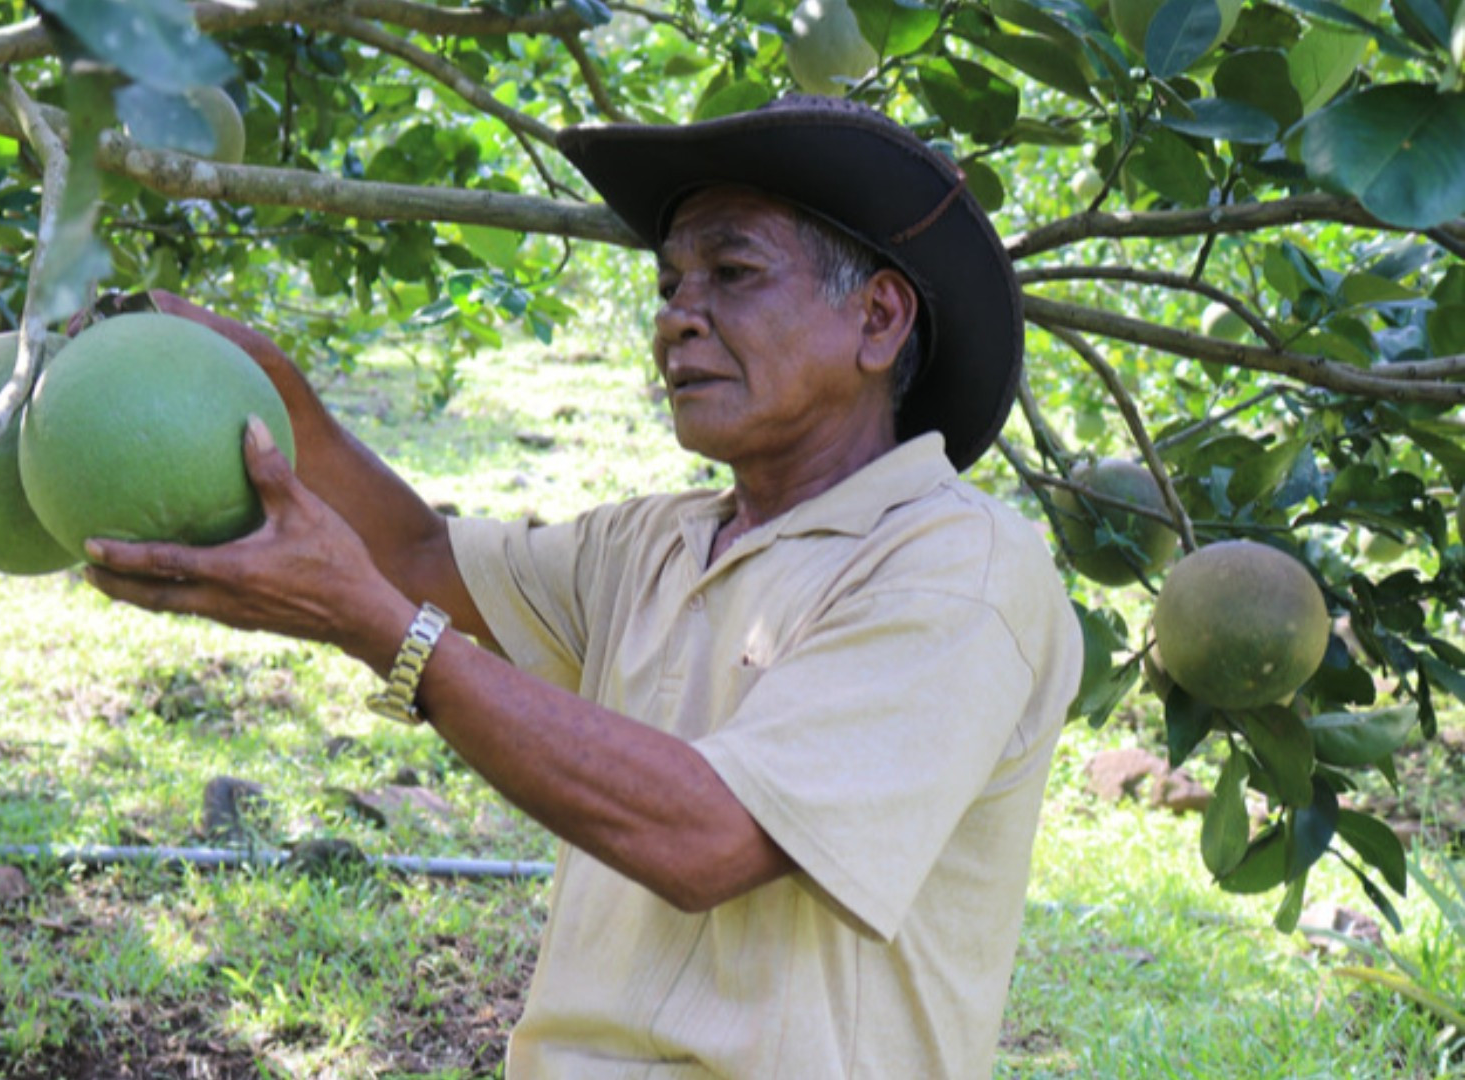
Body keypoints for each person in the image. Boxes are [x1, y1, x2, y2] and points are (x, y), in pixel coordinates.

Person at [82, 95, 1083, 1079]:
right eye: (668, 287)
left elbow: (710, 838)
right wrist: (263, 383)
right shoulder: (655, 541)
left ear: (876, 318)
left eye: (732, 273)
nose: (679, 320)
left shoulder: (959, 569)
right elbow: (420, 558)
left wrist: (387, 634)